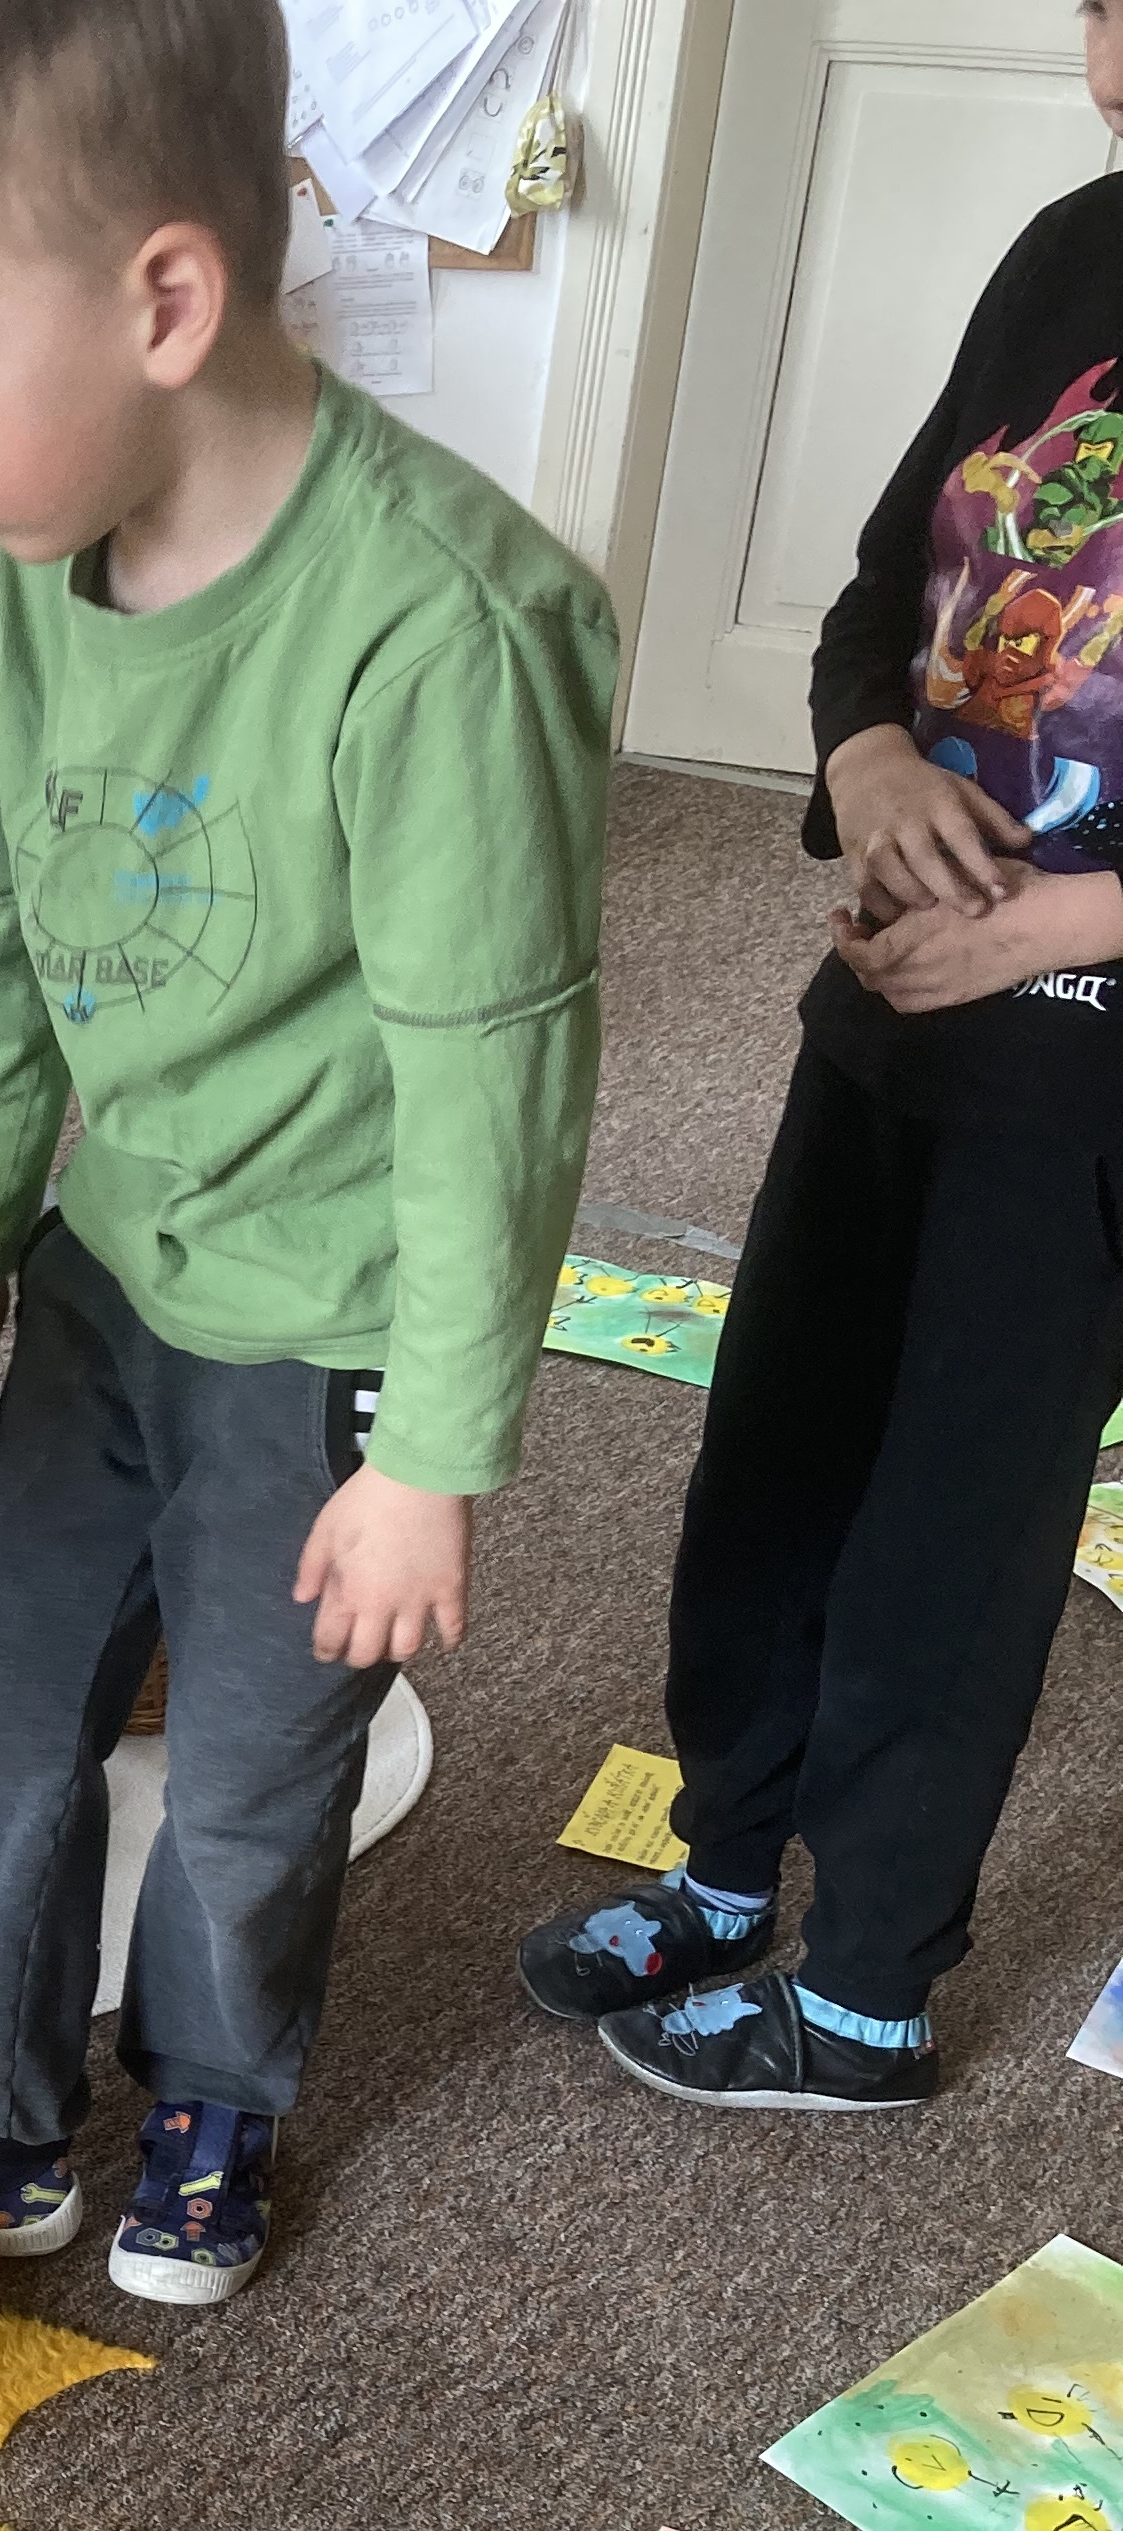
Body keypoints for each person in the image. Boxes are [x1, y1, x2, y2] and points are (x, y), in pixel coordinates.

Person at [0, 0, 615, 2299]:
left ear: (162, 299)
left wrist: (431, 1458)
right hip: (106, 1282)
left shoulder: (443, 632)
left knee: (253, 1773)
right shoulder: (18, 588)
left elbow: (498, 1090)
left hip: (328, 1336)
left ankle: (216, 2106)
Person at [519, 0, 1123, 2111]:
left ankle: (864, 1989)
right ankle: (720, 1862)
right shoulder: (1072, 248)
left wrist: (1061, 925)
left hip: (1087, 1072)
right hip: (893, 1006)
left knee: (957, 1520)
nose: (1112, 51)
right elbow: (889, 581)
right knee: (776, 1449)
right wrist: (867, 756)